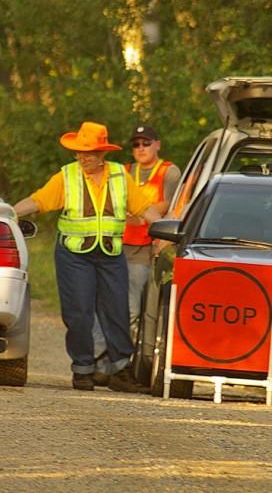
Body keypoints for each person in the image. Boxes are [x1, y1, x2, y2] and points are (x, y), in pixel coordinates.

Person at [13, 121, 164, 393]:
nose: (82, 158)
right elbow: (39, 201)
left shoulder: (120, 176)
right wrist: (10, 213)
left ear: (102, 154)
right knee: (79, 312)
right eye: (79, 153)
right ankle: (83, 370)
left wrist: (169, 230)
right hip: (74, 255)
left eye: (89, 153)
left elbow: (145, 210)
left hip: (110, 254)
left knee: (117, 311)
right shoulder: (67, 175)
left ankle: (120, 370)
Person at [91, 124, 180, 385]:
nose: (141, 149)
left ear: (157, 145)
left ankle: (122, 365)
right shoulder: (126, 171)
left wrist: (141, 213)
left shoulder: (169, 172)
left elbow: (169, 206)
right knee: (105, 305)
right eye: (136, 144)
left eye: (146, 143)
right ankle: (101, 364)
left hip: (144, 250)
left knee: (130, 310)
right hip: (116, 246)